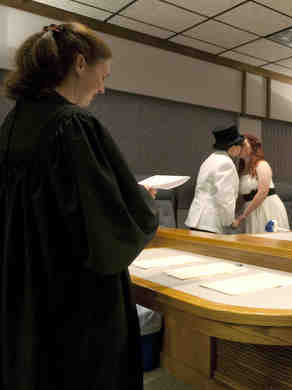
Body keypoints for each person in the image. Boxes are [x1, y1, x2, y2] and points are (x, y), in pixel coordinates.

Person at [0, 23, 159, 390]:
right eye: (103, 76)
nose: (102, 88)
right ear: (80, 63)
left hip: (25, 287)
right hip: (74, 299)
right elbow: (104, 226)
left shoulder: (13, 123)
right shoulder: (72, 124)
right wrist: (138, 202)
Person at [185, 125, 245, 233]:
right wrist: (229, 221)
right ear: (233, 146)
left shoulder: (209, 159)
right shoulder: (226, 163)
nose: (241, 149)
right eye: (240, 145)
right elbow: (224, 197)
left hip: (196, 219)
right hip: (210, 222)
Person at [232, 134, 289, 234]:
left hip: (267, 207)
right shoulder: (241, 170)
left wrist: (243, 216)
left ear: (253, 146)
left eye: (244, 144)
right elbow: (243, 197)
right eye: (239, 144)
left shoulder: (262, 164)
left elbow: (263, 192)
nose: (241, 147)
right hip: (250, 210)